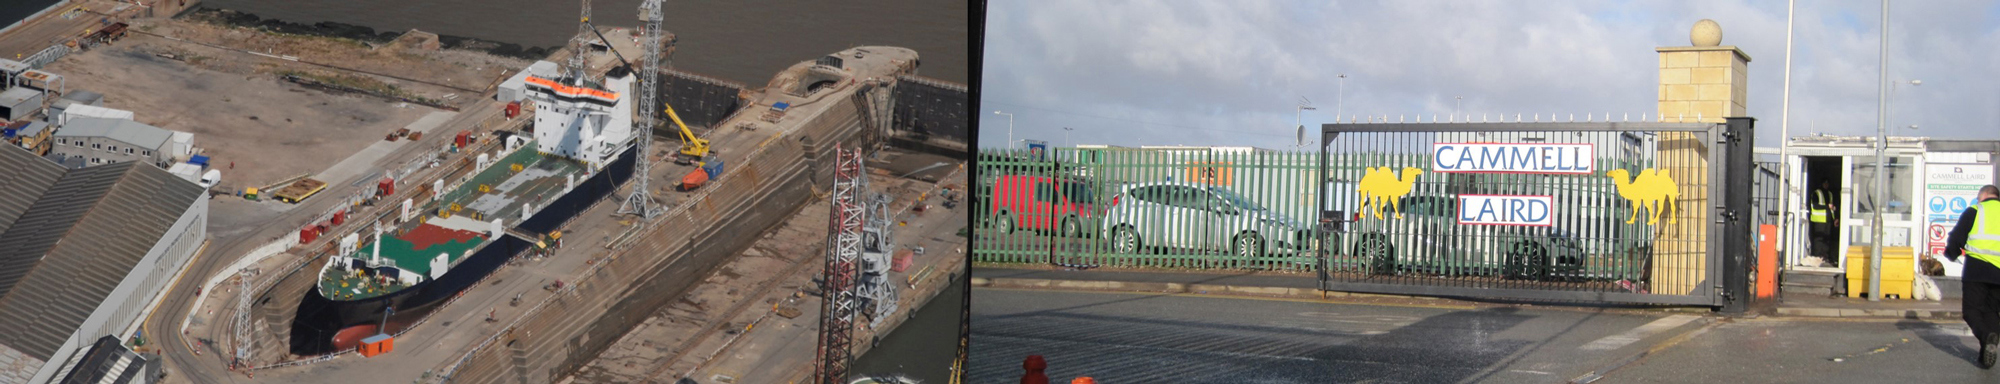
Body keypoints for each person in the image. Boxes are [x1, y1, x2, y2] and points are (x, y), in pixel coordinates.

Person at [1944, 185, 2000, 368]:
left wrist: (1950, 254)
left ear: (1983, 195)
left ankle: (1987, 337)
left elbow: (1957, 237)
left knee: (1971, 311)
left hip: (1977, 269)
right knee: (1992, 311)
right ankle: (1986, 354)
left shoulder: (1975, 210)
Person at [1808, 180, 1838, 266]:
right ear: (1821, 184)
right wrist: (1827, 206)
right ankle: (1817, 256)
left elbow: (1831, 207)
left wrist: (1834, 213)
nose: (1826, 185)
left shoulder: (1830, 194)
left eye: (1827, 183)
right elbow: (1815, 205)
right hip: (1819, 220)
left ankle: (1825, 257)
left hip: (1828, 220)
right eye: (1825, 183)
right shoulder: (1816, 193)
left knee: (1827, 239)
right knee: (1818, 239)